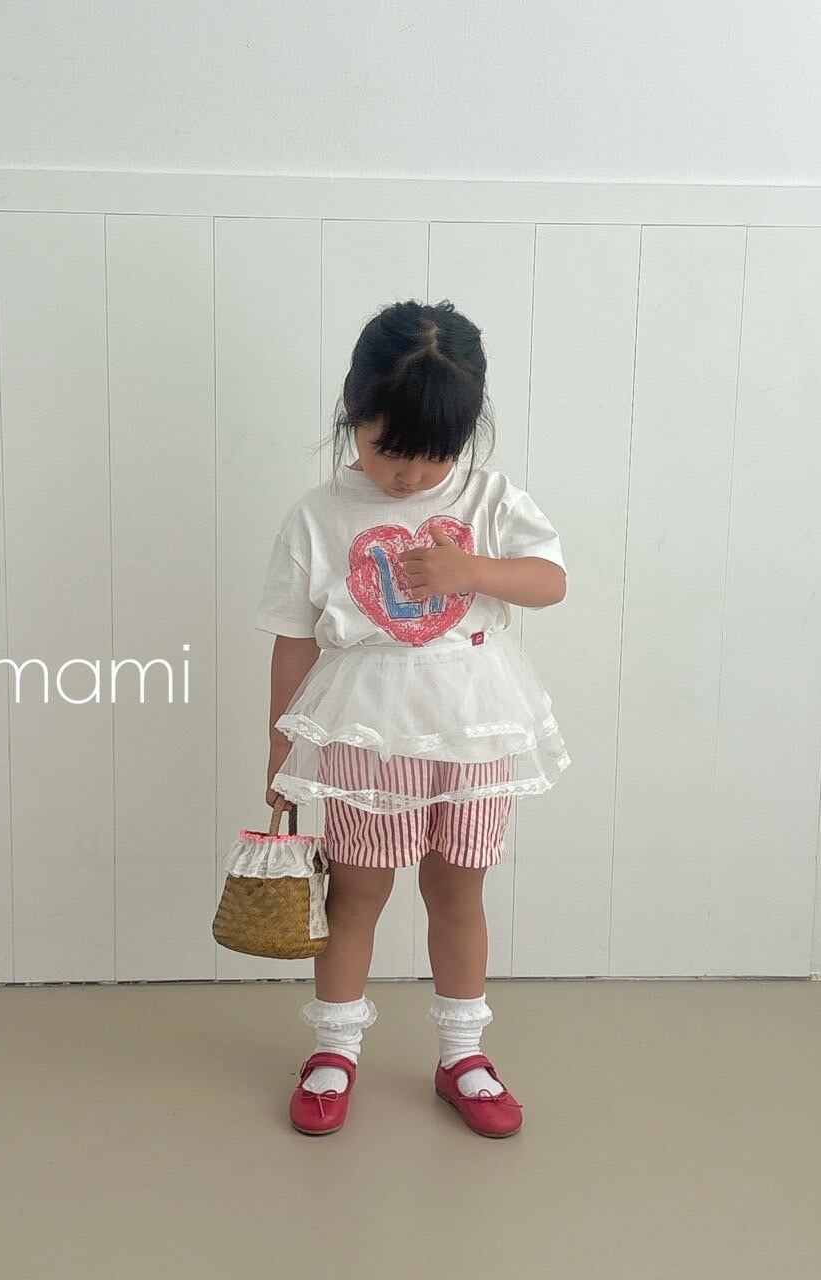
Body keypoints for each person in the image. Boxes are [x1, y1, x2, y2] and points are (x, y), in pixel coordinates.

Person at [254, 300, 570, 1138]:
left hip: (472, 720)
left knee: (458, 886)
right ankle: (333, 1049)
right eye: (388, 449)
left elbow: (550, 581)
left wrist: (474, 570)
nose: (408, 477)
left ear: (466, 435)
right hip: (364, 723)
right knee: (356, 889)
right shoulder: (319, 515)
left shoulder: (489, 497)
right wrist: (281, 748)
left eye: (435, 455)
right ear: (353, 414)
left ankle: (463, 1053)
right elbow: (292, 639)